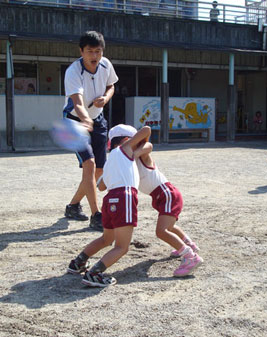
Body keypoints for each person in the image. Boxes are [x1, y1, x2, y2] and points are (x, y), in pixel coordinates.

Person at [67, 125, 151, 287]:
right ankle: (94, 273)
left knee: (107, 238)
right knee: (122, 247)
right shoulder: (125, 150)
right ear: (127, 140)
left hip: (110, 199)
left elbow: (102, 186)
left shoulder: (111, 159)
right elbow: (146, 130)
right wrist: (139, 147)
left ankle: (78, 263)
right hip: (125, 197)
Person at [63, 30, 118, 231]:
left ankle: (73, 206)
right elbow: (77, 103)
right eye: (90, 51)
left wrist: (106, 97)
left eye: (98, 51)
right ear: (81, 51)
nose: (94, 56)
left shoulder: (106, 65)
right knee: (90, 164)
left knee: (99, 170)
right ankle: (96, 215)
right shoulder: (73, 72)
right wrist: (85, 119)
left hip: (98, 119)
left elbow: (111, 86)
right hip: (74, 122)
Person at [133, 140, 203, 276]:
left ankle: (191, 258)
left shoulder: (141, 156)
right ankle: (190, 245)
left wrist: (134, 152)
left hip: (167, 194)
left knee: (161, 231)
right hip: (161, 196)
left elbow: (149, 145)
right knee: (169, 227)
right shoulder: (128, 162)